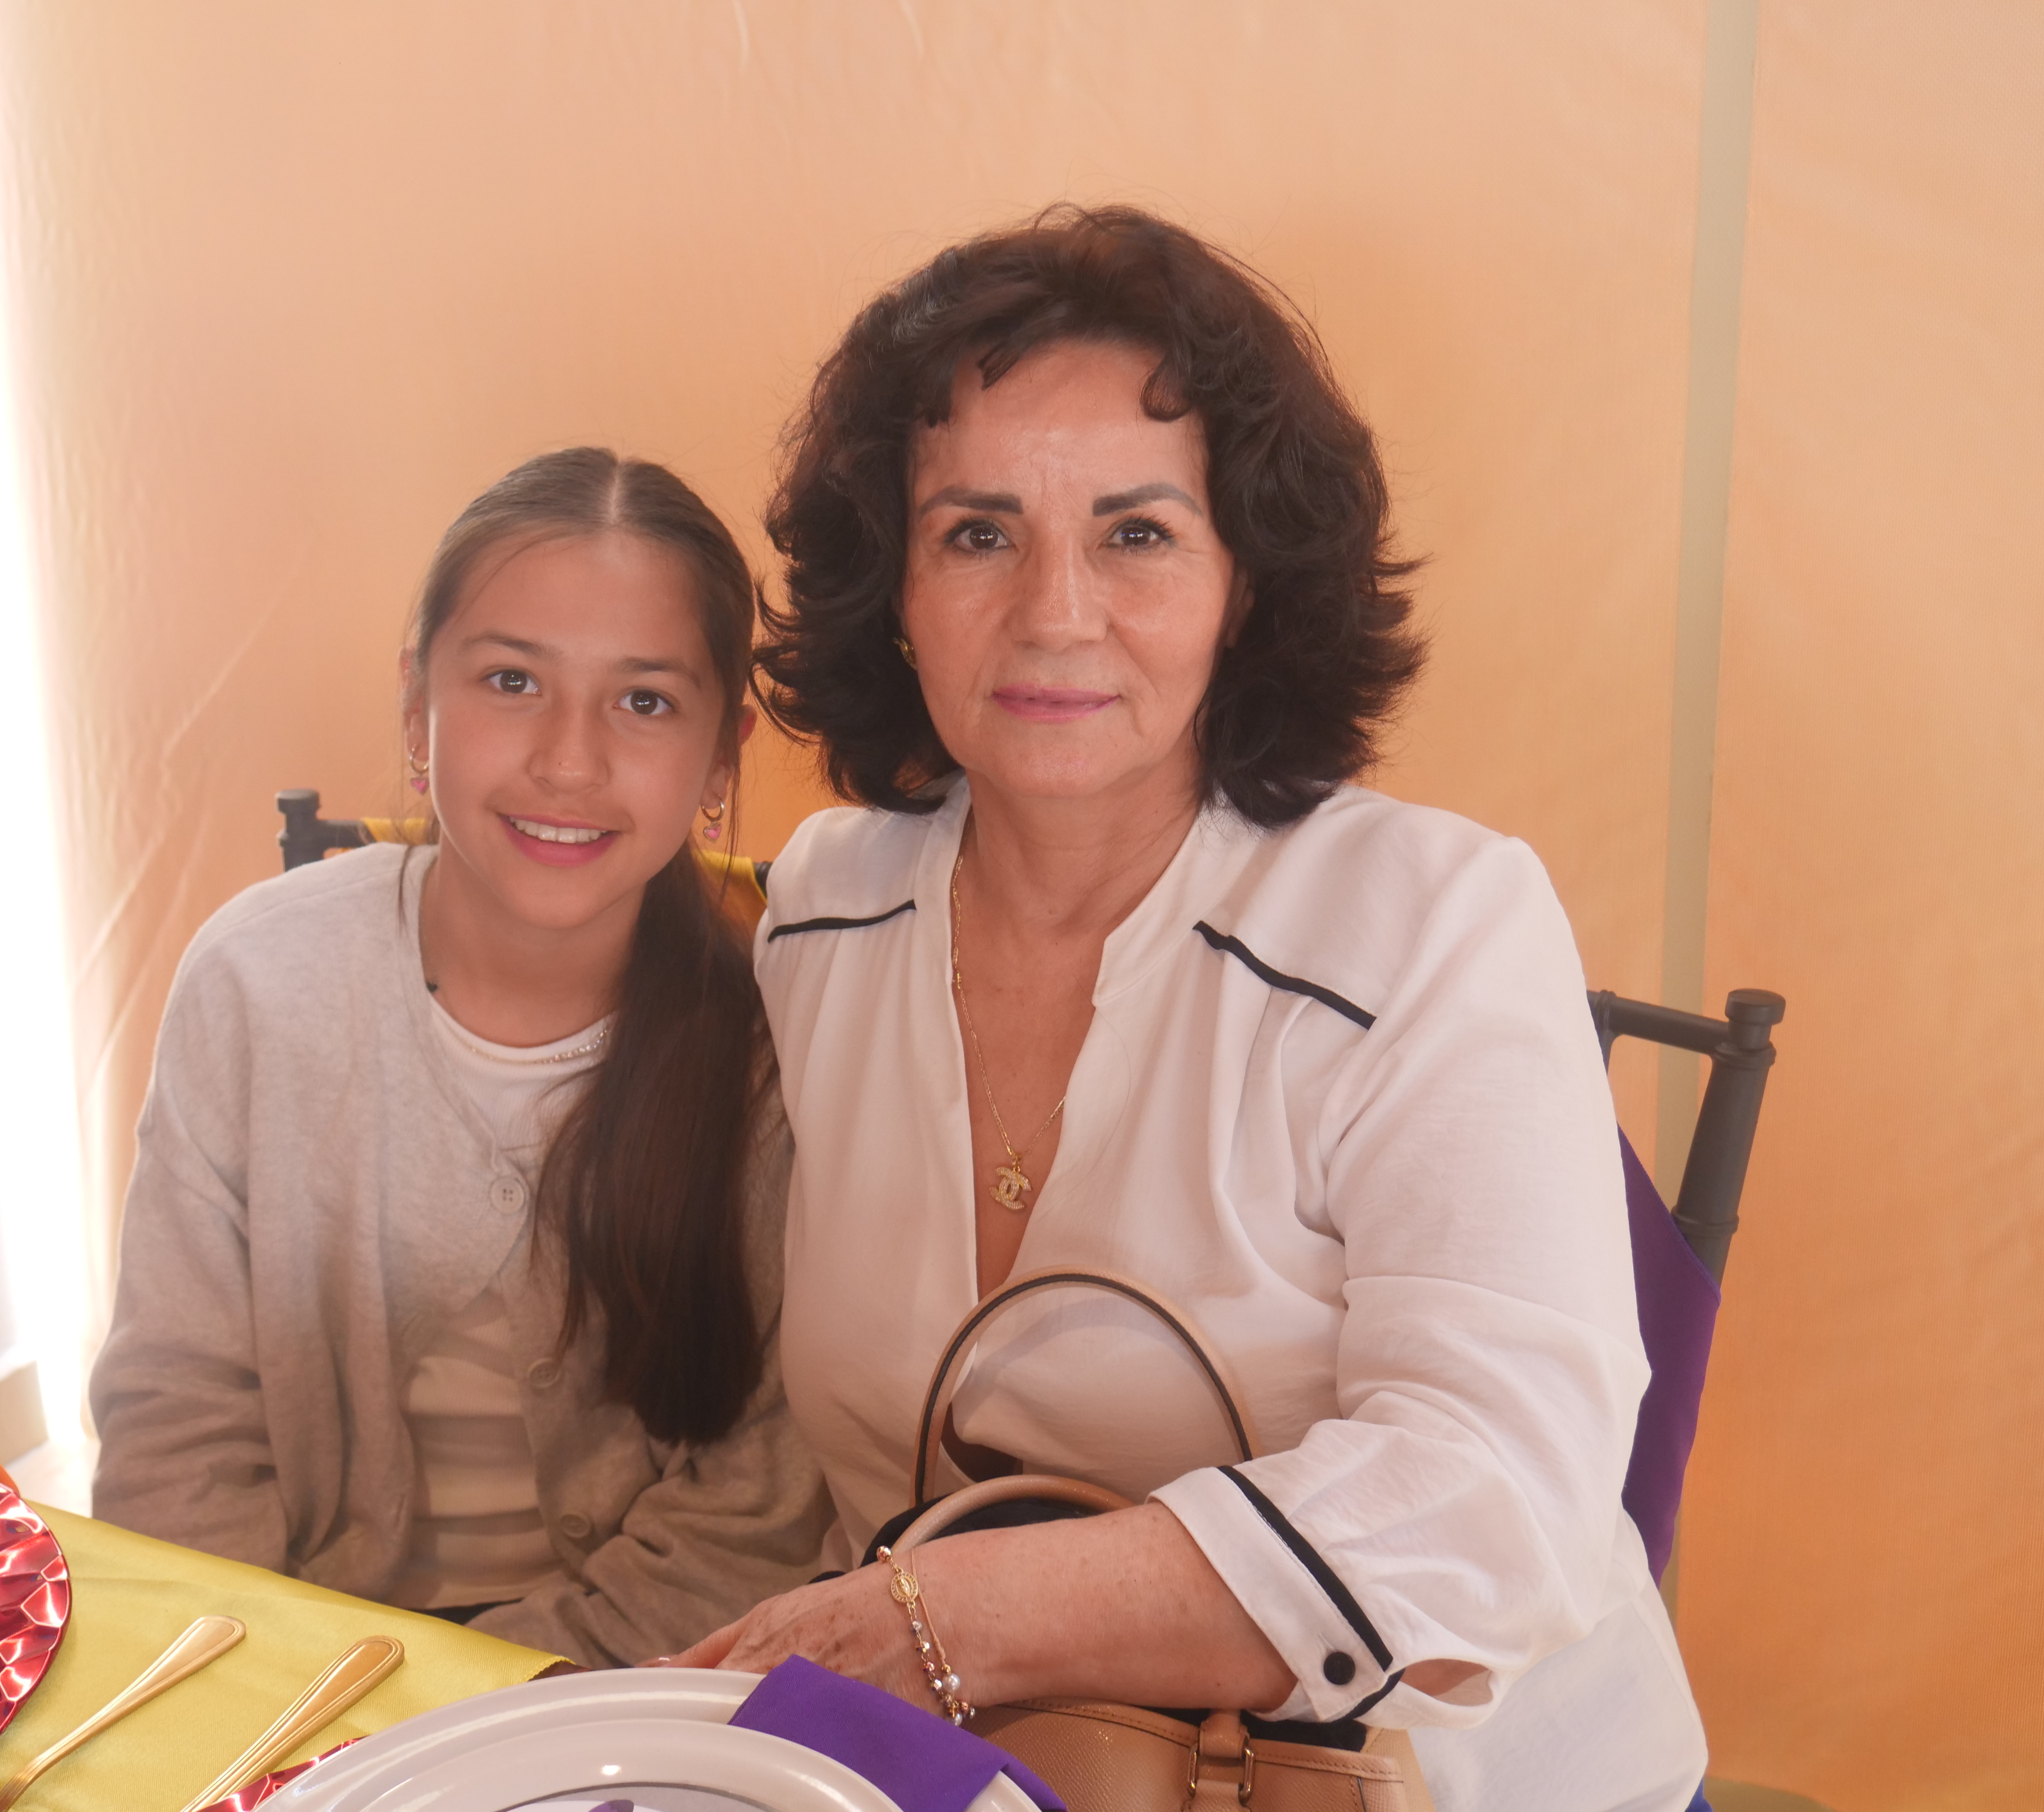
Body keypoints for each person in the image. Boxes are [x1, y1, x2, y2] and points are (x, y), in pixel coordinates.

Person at [668, 208, 1708, 1809]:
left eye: (1138, 534)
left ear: (1246, 585)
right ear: (895, 588)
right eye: (977, 533)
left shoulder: (1438, 919)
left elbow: (1500, 1499)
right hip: (1006, 1772)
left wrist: (938, 1620)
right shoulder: (825, 911)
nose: (1054, 613)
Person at [90, 447, 830, 1665]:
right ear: (415, 706)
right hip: (286, 1681)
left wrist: (469, 1722)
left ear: (721, 758)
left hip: (607, 1704)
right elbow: (178, 1430)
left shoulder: (779, 1053)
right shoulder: (258, 985)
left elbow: (756, 1517)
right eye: (510, 680)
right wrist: (279, 1695)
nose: (570, 762)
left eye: (645, 701)